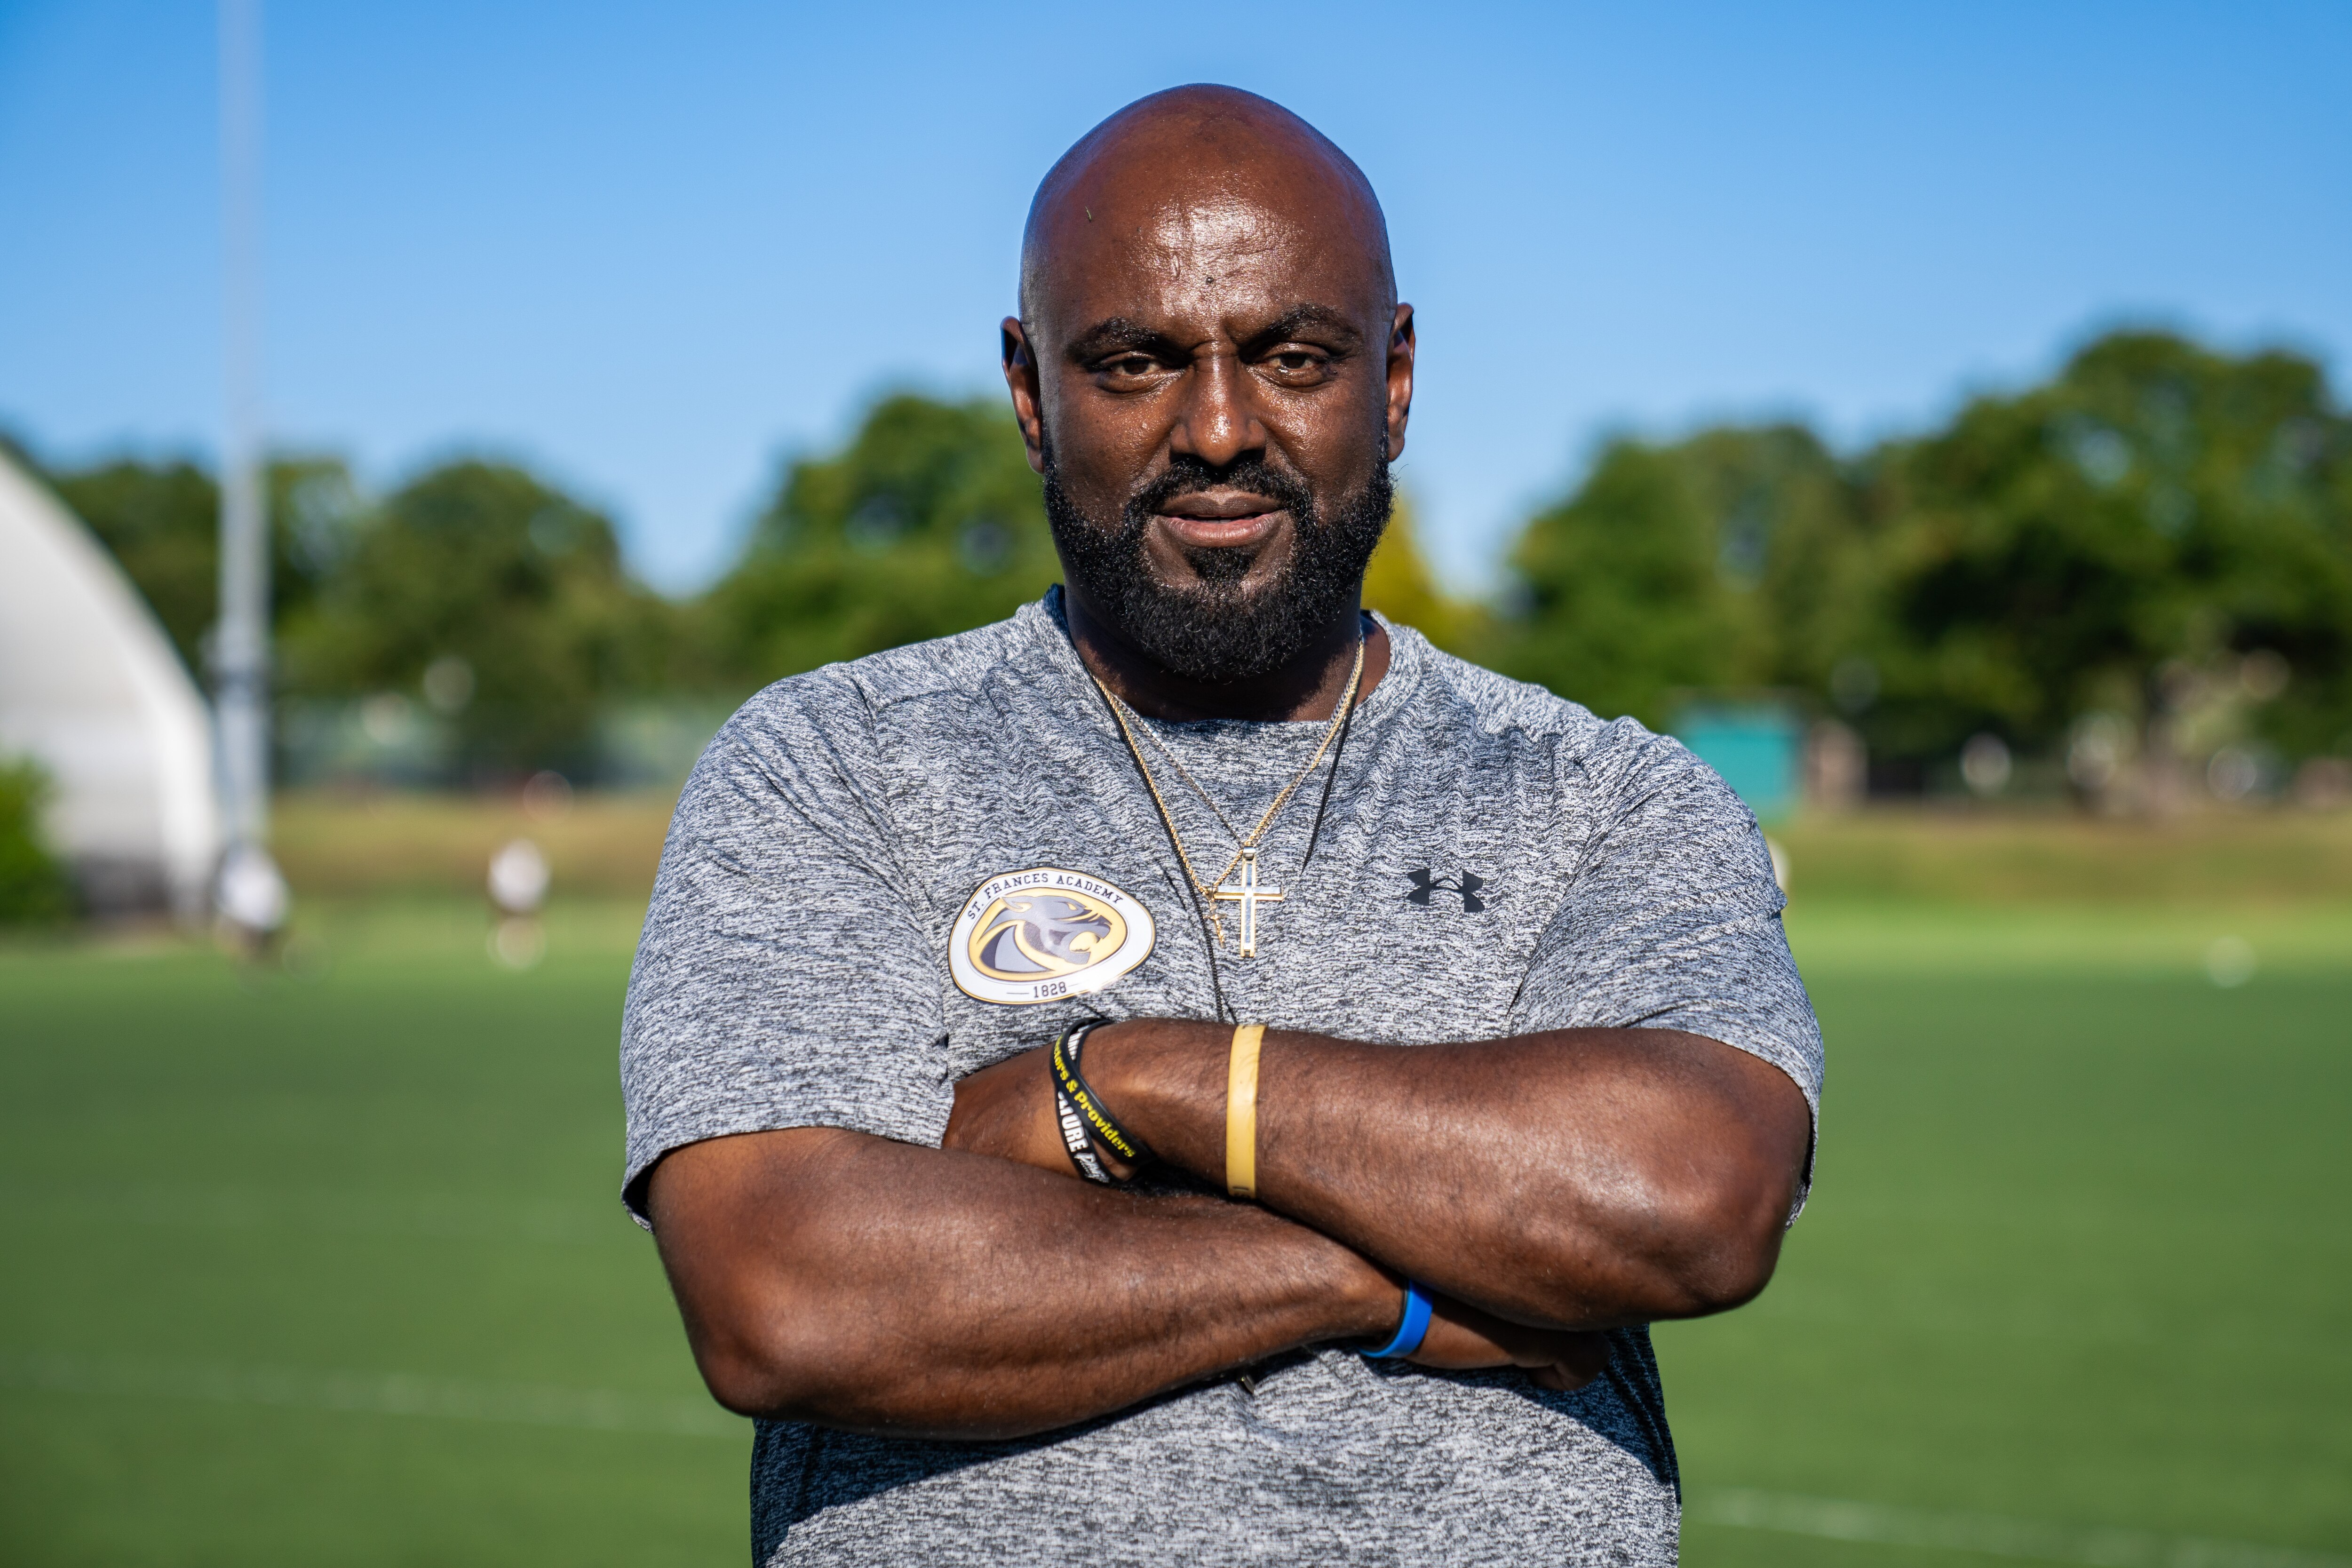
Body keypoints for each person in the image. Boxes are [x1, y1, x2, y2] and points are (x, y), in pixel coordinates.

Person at [621, 84, 1820, 1567]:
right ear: (1026, 387)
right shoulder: (832, 766)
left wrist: (1125, 1081)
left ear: (1392, 378)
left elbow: (1687, 1199)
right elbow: (789, 1294)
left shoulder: (1602, 799)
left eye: (1293, 357)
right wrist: (1381, 1281)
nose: (1216, 427)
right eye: (1131, 361)